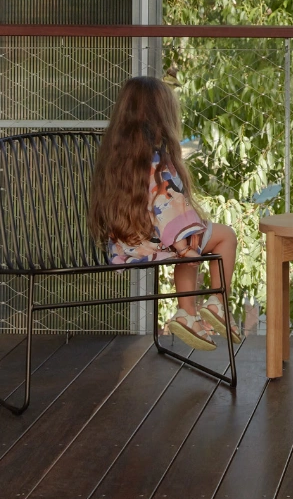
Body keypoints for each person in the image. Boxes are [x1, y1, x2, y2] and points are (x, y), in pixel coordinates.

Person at [88, 75, 240, 352]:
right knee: (223, 237)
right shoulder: (159, 162)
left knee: (192, 239)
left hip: (126, 246)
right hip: (159, 244)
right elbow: (171, 211)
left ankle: (188, 314)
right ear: (162, 116)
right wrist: (184, 247)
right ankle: (216, 305)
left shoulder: (113, 158)